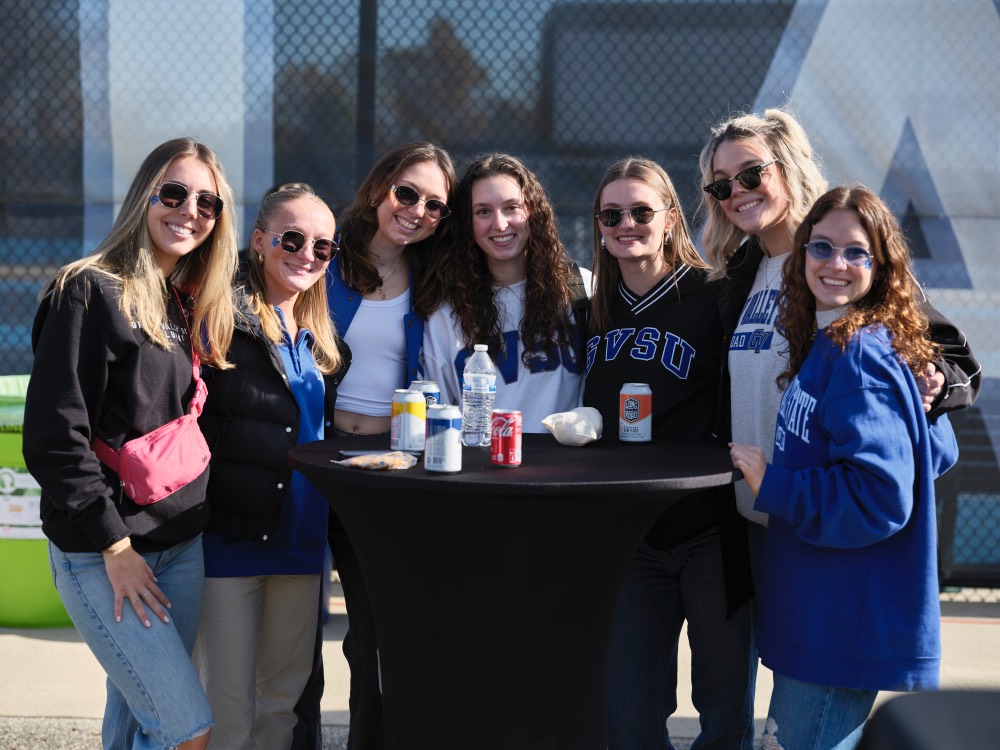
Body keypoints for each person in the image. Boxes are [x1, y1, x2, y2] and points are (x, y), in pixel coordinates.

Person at [22, 137, 239, 750]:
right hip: (106, 552)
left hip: (180, 547)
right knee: (184, 731)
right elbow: (53, 439)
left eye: (207, 202)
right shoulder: (87, 291)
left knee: (137, 722)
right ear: (144, 195)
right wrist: (114, 545)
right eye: (173, 193)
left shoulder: (183, 299)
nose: (189, 210)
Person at [729, 185, 959, 750]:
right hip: (820, 617)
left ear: (881, 267)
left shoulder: (860, 352)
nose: (836, 264)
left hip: (839, 630)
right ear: (802, 252)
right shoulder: (840, 339)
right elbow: (935, 452)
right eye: (822, 247)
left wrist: (775, 484)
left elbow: (881, 496)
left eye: (856, 252)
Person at [583, 157, 756, 749]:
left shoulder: (717, 295)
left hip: (710, 529)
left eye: (640, 211)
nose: (626, 223)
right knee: (628, 719)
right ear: (599, 226)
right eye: (612, 214)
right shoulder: (590, 308)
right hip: (630, 538)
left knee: (724, 713)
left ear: (670, 218)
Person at [312, 141, 455, 750]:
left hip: (384, 467)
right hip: (312, 454)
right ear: (378, 189)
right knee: (290, 628)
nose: (418, 210)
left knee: (372, 631)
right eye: (407, 193)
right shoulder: (321, 257)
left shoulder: (435, 273)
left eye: (434, 204)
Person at [194, 187, 348, 749]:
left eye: (323, 246)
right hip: (230, 543)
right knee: (227, 710)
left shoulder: (319, 342)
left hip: (303, 548)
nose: (307, 253)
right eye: (292, 238)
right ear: (259, 242)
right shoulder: (219, 320)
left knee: (281, 707)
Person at [417, 152, 592, 432]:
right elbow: (436, 411)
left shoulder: (581, 289)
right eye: (483, 211)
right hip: (483, 468)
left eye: (512, 207)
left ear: (532, 212)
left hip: (565, 468)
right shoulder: (445, 313)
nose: (499, 224)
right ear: (467, 222)